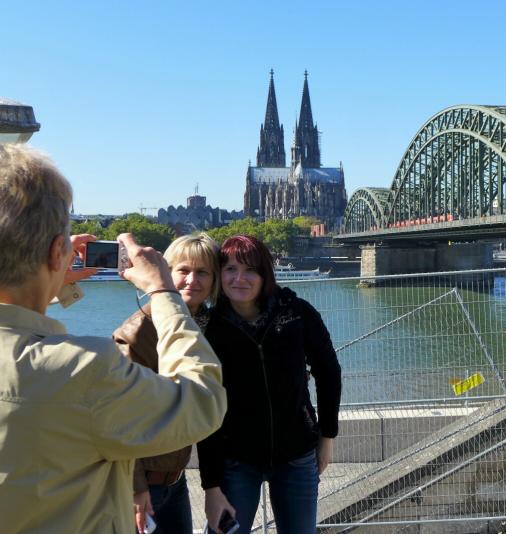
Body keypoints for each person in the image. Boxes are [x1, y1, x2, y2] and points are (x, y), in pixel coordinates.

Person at [0, 143, 227, 532]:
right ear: (57, 253)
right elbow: (203, 401)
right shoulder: (84, 371)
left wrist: (49, 282)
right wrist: (163, 293)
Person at [198, 235, 342, 534]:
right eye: (230, 269)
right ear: (219, 274)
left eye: (250, 270)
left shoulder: (297, 313)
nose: (239, 278)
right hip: (235, 459)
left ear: (265, 275)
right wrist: (211, 485)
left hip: (297, 454)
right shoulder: (210, 328)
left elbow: (328, 371)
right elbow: (205, 408)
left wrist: (327, 436)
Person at [114, 233, 221, 534]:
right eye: (183, 270)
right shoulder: (138, 331)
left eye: (202, 272)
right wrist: (135, 487)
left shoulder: (208, 325)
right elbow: (119, 415)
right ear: (164, 273)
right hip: (144, 487)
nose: (192, 280)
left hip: (176, 479)